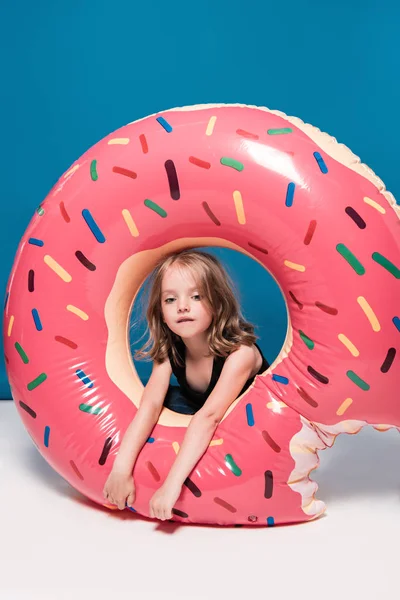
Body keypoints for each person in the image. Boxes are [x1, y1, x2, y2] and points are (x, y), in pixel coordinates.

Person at [103, 249, 270, 521]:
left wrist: (170, 486)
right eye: (170, 299)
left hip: (239, 420)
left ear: (217, 303)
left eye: (196, 296)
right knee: (158, 403)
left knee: (202, 418)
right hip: (199, 410)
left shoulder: (242, 354)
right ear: (161, 311)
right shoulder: (172, 350)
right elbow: (150, 404)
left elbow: (210, 416)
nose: (182, 306)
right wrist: (121, 470)